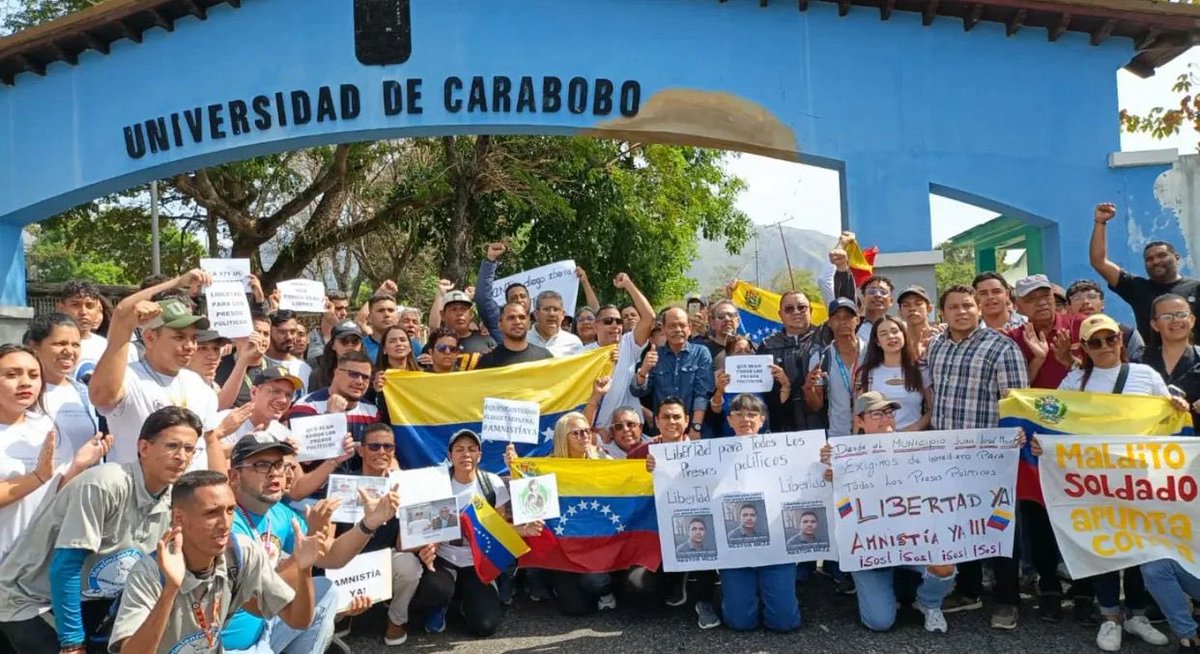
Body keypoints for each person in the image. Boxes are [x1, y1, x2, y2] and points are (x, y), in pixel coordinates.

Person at [0, 407, 201, 654]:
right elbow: (66, 566)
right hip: (31, 600)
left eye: (189, 449)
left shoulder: (172, 499)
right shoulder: (105, 484)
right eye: (172, 446)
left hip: (90, 604)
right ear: (144, 448)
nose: (182, 456)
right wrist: (72, 642)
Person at [1047, 314, 1176, 651]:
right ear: (1084, 348)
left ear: (1121, 340)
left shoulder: (1146, 375)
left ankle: (1136, 613)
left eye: (1110, 339)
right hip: (1094, 480)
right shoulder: (1074, 382)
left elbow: (1169, 420)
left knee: (1138, 546)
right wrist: (1039, 441)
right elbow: (1054, 422)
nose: (1104, 347)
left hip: (1139, 478)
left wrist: (1177, 406)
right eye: (1095, 342)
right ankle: (1109, 616)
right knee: (1104, 546)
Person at [221, 432, 400, 653]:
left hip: (265, 629)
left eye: (279, 464)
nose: (275, 473)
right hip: (229, 646)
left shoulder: (278, 512)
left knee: (326, 591)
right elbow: (259, 595)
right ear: (234, 476)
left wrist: (368, 524)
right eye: (261, 465)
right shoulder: (224, 523)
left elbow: (331, 556)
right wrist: (302, 553)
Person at [106, 470, 320, 654]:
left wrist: (304, 569)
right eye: (211, 513)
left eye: (230, 510)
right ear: (179, 518)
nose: (226, 523)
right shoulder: (150, 572)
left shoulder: (241, 552)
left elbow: (298, 620)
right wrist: (170, 589)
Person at [925, 284, 1029, 629]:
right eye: (953, 307)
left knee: (1000, 528)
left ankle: (1007, 600)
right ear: (943, 313)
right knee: (959, 524)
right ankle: (970, 591)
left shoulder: (1002, 347)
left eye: (968, 305)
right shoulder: (937, 347)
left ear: (979, 308)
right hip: (948, 456)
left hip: (990, 457)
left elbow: (1014, 402)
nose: (962, 311)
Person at [822, 392, 955, 634]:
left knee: (944, 566)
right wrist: (830, 477)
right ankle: (890, 590)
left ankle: (928, 603)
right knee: (879, 622)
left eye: (889, 412)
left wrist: (1008, 442)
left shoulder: (915, 447)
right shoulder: (841, 455)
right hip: (870, 548)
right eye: (877, 413)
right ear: (860, 421)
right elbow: (837, 507)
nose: (886, 418)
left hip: (913, 541)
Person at [410, 429, 541, 637]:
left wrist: (525, 529)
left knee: (485, 625)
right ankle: (440, 605)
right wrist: (427, 548)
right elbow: (423, 527)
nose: (466, 455)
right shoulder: (437, 483)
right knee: (435, 590)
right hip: (444, 558)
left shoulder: (492, 484)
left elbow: (499, 528)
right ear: (450, 455)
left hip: (477, 560)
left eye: (472, 449)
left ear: (480, 455)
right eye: (459, 449)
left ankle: (465, 604)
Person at [89, 271, 220, 466]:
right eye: (179, 337)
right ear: (150, 338)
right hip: (136, 493)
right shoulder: (127, 378)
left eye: (193, 338)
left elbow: (210, 442)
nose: (190, 346)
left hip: (188, 495)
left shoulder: (198, 383)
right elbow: (123, 311)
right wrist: (178, 282)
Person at [0, 343, 110, 560]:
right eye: (12, 375)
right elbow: (43, 477)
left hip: (38, 561)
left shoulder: (46, 425)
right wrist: (37, 477)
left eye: (33, 375)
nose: (25, 382)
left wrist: (79, 464)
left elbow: (56, 491)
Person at [713, 394, 800, 633]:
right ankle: (728, 594)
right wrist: (658, 467)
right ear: (729, 420)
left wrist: (824, 463)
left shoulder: (785, 451)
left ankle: (778, 595)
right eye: (739, 414)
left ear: (762, 420)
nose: (745, 419)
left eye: (752, 414)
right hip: (735, 551)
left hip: (777, 548)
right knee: (740, 622)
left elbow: (809, 480)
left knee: (784, 623)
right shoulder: (711, 454)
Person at [338, 424, 427, 647]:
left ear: (394, 451)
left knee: (409, 566)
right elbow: (330, 533)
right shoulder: (344, 483)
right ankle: (342, 614)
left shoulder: (403, 485)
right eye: (374, 446)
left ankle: (396, 619)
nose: (381, 452)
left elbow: (404, 541)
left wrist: (425, 542)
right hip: (347, 557)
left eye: (387, 446)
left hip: (386, 556)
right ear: (361, 450)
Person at [641, 397, 720, 626]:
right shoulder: (642, 453)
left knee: (704, 541)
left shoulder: (705, 451)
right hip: (657, 536)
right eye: (665, 417)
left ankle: (704, 601)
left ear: (687, 421)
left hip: (697, 530)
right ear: (656, 421)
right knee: (642, 592)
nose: (671, 421)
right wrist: (643, 472)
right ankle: (678, 579)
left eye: (677, 417)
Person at [1091, 201, 1200, 343]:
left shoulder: (1196, 288)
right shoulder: (1137, 288)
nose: (1155, 261)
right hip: (1151, 362)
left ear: (1177, 258)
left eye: (1162, 255)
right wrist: (1100, 222)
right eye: (1149, 259)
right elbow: (1099, 262)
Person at [631, 307, 714, 440]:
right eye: (672, 326)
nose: (678, 330)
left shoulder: (701, 353)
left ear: (690, 328)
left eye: (682, 325)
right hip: (663, 431)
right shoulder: (654, 355)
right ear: (663, 330)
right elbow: (638, 392)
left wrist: (695, 427)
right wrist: (644, 370)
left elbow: (702, 394)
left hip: (694, 429)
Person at [24, 314, 98, 451]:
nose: (69, 351)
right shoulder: (21, 393)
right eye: (60, 343)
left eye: (75, 345)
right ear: (34, 346)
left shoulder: (86, 393)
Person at [590, 274, 655, 429]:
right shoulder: (583, 353)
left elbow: (649, 317)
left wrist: (628, 284)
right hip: (600, 434)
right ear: (595, 326)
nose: (615, 325)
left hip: (630, 432)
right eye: (608, 321)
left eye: (618, 321)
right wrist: (594, 430)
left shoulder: (628, 344)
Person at [854, 315, 931, 431]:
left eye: (895, 331)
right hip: (879, 442)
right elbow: (858, 415)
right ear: (877, 342)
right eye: (883, 334)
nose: (890, 336)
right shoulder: (867, 373)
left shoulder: (920, 369)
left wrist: (913, 429)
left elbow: (932, 409)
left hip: (914, 442)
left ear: (904, 335)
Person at [804, 298, 866, 437]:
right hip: (838, 436)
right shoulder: (820, 358)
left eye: (848, 317)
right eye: (837, 318)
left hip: (871, 434)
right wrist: (809, 387)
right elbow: (816, 406)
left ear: (857, 320)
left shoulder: (871, 353)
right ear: (830, 323)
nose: (843, 321)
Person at [57, 280, 133, 383]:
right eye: (75, 305)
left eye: (89, 305)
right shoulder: (48, 345)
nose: (83, 312)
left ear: (98, 308)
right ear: (61, 308)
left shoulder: (108, 346)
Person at [1142, 293, 1200, 426]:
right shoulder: (1140, 361)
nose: (1176, 320)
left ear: (1192, 320)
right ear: (1155, 325)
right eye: (1167, 316)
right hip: (1151, 444)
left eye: (1181, 314)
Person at [708, 335, 784, 436]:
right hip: (729, 442)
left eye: (748, 351)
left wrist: (785, 384)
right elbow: (715, 411)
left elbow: (779, 402)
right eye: (739, 352)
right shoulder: (721, 378)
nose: (745, 355)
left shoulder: (765, 379)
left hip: (763, 440)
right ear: (729, 357)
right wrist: (719, 391)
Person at [1066, 279, 1145, 362]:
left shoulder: (1127, 334)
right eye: (1077, 299)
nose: (1085, 302)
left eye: (1092, 297)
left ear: (1102, 303)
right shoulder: (1063, 338)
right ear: (1068, 307)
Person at [216, 314, 272, 409]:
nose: (262, 338)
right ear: (238, 336)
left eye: (266, 334)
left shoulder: (276, 370)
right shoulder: (217, 366)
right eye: (256, 332)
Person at [477, 302, 551, 369]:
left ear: (529, 323)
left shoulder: (545, 358)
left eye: (522, 317)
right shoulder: (488, 362)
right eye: (511, 318)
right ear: (500, 324)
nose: (517, 322)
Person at [263, 311, 312, 395]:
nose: (289, 337)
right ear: (269, 332)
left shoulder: (305, 369)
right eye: (282, 332)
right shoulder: (256, 364)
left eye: (293, 331)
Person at [307, 320, 364, 392]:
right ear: (333, 345)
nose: (350, 345)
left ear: (361, 346)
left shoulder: (367, 374)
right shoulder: (318, 376)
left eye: (355, 341)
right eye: (344, 341)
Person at [438, 290, 494, 360]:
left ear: (471, 314)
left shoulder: (488, 341)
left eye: (463, 309)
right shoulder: (435, 344)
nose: (459, 313)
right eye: (454, 309)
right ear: (443, 315)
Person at [527, 291, 584, 357]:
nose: (552, 314)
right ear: (536, 314)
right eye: (546, 309)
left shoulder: (574, 343)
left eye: (556, 309)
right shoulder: (524, 340)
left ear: (563, 314)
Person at [896, 285, 940, 361]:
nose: (912, 309)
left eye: (918, 304)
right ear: (900, 312)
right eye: (906, 305)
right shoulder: (896, 341)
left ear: (929, 309)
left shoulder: (941, 338)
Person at [305, 290, 351, 360]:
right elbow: (320, 362)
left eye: (346, 308)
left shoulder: (349, 334)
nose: (344, 313)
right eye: (338, 308)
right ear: (325, 308)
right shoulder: (311, 338)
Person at [362, 291, 400, 362]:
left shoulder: (412, 346)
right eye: (381, 310)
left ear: (397, 317)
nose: (386, 314)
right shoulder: (360, 347)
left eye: (391, 310)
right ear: (369, 318)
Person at [856, 276, 894, 342]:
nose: (878, 295)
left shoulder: (898, 328)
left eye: (883, 292)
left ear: (891, 301)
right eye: (872, 292)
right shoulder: (854, 327)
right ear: (863, 300)